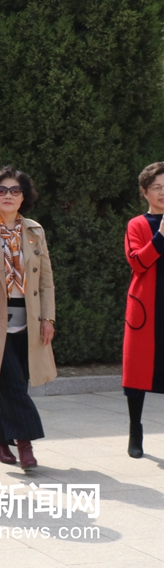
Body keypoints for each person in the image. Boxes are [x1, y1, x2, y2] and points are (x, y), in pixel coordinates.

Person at [0, 166, 56, 470]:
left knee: (14, 383)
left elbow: (46, 279)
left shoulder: (34, 231)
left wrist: (48, 318)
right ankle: (25, 444)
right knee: (12, 383)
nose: (8, 195)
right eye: (1, 190)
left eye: (15, 190)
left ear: (24, 197)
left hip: (29, 319)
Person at [123, 161, 164, 458]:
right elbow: (138, 262)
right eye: (157, 187)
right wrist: (160, 236)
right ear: (145, 191)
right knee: (138, 371)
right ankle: (134, 431)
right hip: (147, 308)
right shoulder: (137, 224)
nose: (163, 193)